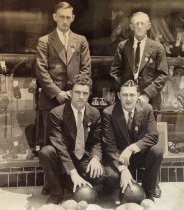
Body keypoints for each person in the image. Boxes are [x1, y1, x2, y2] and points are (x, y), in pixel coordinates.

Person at [110, 11, 168, 197]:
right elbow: (115, 71)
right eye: (137, 24)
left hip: (148, 102)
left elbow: (162, 75)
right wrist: (126, 92)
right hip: (127, 99)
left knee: (150, 143)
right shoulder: (123, 46)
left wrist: (145, 96)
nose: (140, 27)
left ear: (149, 26)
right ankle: (125, 177)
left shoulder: (157, 47)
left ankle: (152, 184)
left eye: (143, 23)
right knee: (125, 138)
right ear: (131, 26)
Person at [39, 74, 103, 204]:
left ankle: (74, 186)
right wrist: (73, 172)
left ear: (89, 94)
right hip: (64, 157)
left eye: (85, 93)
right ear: (70, 93)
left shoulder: (95, 113)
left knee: (102, 176)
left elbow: (97, 141)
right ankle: (57, 193)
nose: (81, 96)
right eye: (77, 92)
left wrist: (96, 158)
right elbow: (59, 146)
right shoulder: (57, 114)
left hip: (83, 157)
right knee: (46, 152)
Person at [35, 1, 91, 146]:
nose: (65, 21)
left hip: (74, 99)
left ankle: (71, 169)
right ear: (55, 17)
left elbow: (86, 69)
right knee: (52, 144)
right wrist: (58, 93)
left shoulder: (80, 40)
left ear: (73, 18)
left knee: (73, 141)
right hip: (50, 100)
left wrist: (74, 92)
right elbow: (41, 71)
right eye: (61, 17)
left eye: (68, 17)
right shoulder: (45, 41)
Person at [102, 80, 163, 203]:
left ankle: (148, 192)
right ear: (119, 95)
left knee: (157, 151)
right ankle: (116, 190)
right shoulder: (108, 113)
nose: (128, 99)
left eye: (132, 95)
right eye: (125, 95)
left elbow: (153, 136)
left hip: (137, 155)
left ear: (138, 96)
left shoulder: (147, 109)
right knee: (111, 178)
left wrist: (131, 148)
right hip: (118, 157)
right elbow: (109, 146)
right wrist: (123, 169)